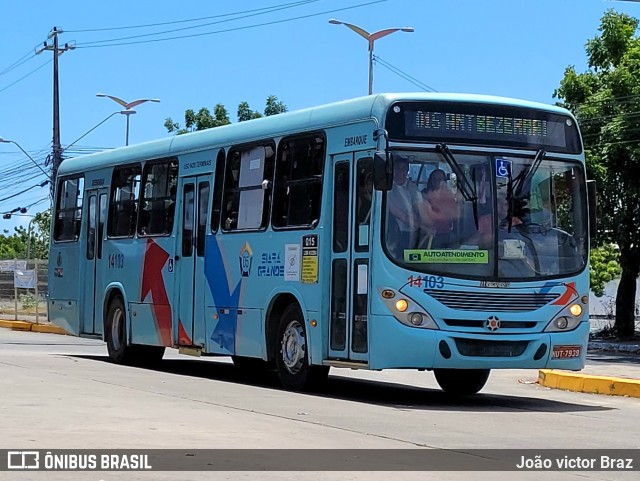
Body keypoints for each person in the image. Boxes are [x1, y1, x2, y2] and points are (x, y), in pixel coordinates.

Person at [386, 155, 422, 254]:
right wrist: (423, 226)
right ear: (392, 169)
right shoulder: (387, 188)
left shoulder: (412, 186)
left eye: (404, 169)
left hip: (413, 233)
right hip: (393, 234)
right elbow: (398, 213)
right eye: (398, 168)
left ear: (407, 171)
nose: (400, 172)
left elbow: (419, 207)